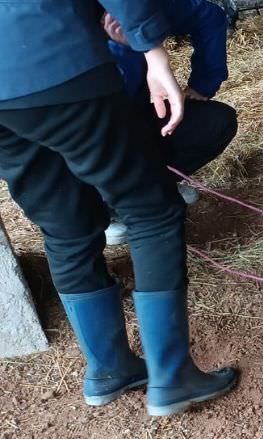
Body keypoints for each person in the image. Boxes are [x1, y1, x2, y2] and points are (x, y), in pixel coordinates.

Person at [0, 1, 238, 416]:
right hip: (53, 58)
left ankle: (110, 369)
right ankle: (172, 375)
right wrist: (152, 48)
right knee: (151, 210)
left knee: (63, 226)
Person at [102, 0, 238, 246]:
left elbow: (208, 16)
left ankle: (155, 187)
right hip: (93, 128)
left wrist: (203, 83)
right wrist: (124, 47)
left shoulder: (138, 8)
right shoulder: (62, 25)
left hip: (140, 113)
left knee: (217, 122)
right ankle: (106, 208)